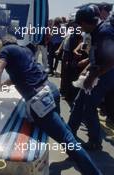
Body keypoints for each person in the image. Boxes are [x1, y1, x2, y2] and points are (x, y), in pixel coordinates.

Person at [0, 34, 102, 175]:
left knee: (66, 138)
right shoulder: (24, 50)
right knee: (63, 128)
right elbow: (20, 75)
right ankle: (74, 153)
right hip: (51, 89)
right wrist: (2, 86)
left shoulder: (5, 51)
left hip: (40, 99)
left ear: (3, 44)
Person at [68, 5, 114, 150]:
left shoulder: (104, 32)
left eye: (80, 26)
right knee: (79, 102)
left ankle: (95, 142)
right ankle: (69, 131)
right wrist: (87, 70)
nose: (80, 29)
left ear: (85, 22)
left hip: (105, 76)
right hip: (97, 73)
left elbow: (111, 60)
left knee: (89, 107)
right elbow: (97, 56)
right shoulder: (96, 31)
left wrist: (91, 77)